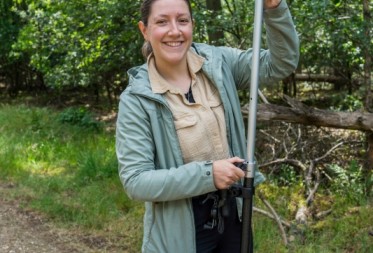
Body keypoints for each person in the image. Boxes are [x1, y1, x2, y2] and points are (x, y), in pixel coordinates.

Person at [116, 0, 299, 252]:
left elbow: (280, 63)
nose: (174, 30)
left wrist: (274, 8)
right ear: (144, 30)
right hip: (181, 229)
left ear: (192, 24)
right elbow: (136, 181)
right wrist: (207, 175)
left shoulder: (218, 63)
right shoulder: (137, 99)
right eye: (161, 21)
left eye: (182, 20)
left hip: (234, 215)